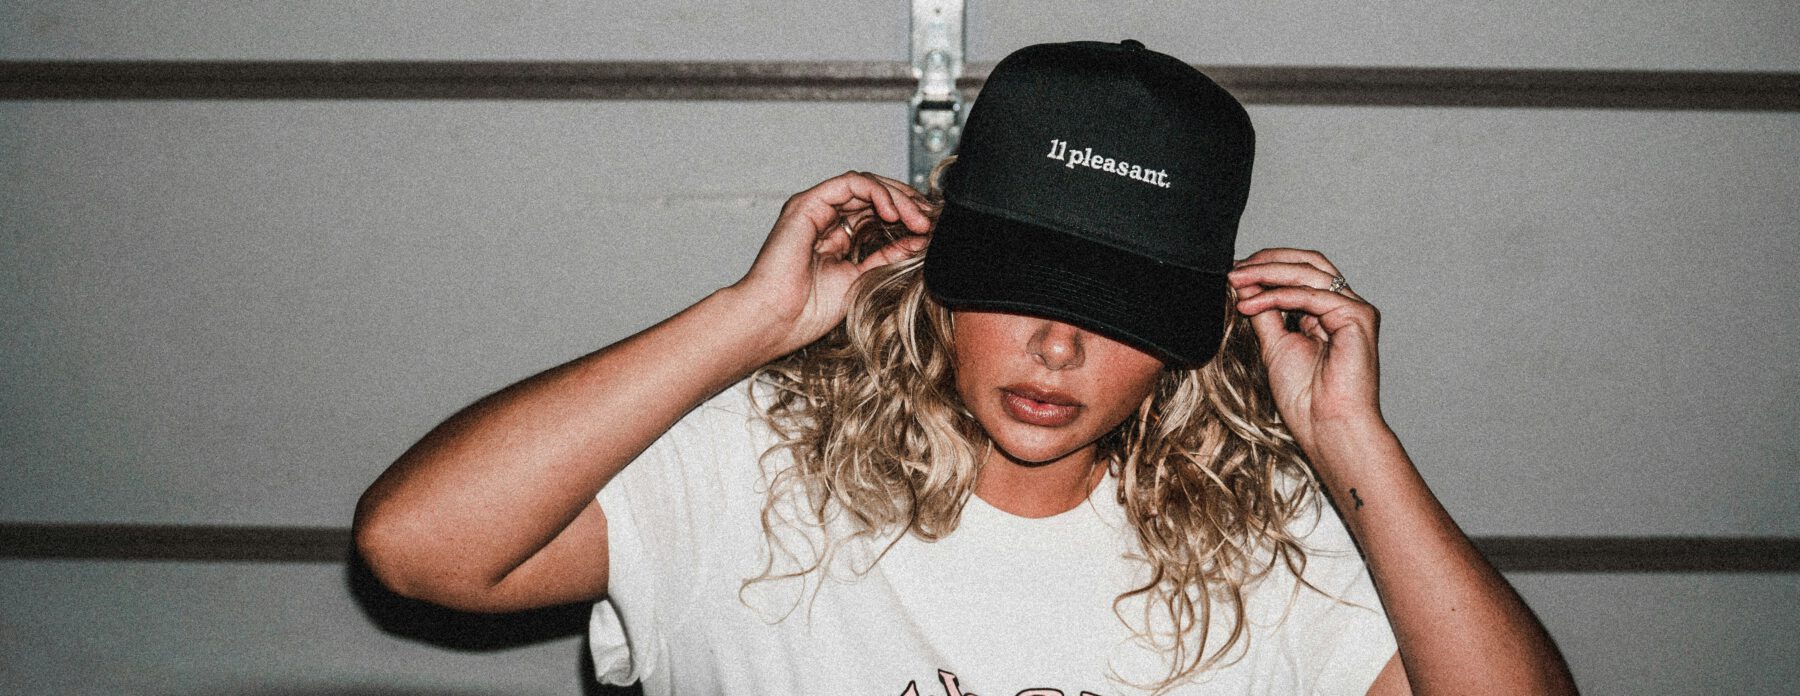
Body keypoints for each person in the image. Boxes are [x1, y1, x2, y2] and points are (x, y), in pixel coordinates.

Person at [354, 41, 1576, 695]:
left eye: (1114, 309)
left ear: (1194, 327)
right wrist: (750, 319)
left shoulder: (1263, 544)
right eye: (1024, 288)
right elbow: (417, 549)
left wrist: (1351, 442)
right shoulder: (756, 468)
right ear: (939, 266)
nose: (1059, 346)